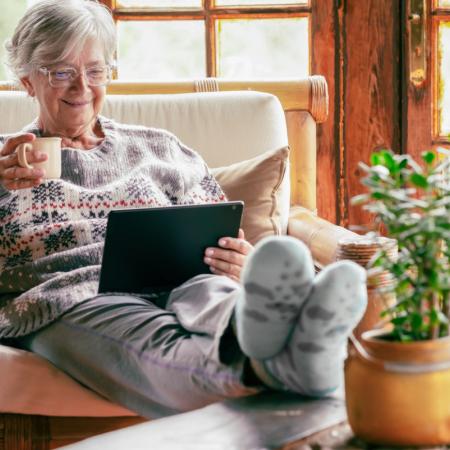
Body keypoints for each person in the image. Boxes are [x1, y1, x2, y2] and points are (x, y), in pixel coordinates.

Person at [0, 0, 367, 418]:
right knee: (149, 337)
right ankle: (289, 361)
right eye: (62, 72)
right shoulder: (6, 160)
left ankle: (271, 324)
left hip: (184, 278)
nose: (82, 87)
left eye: (96, 71)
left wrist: (238, 259)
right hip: (71, 296)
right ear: (28, 80)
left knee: (214, 295)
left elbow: (216, 222)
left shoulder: (159, 147)